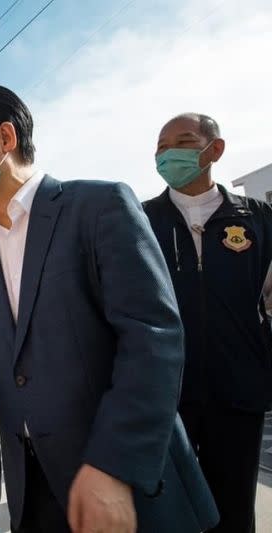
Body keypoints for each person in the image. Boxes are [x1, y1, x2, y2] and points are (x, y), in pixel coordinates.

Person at [0, 84, 219, 533]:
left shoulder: (99, 208)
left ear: (4, 138)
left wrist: (115, 464)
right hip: (33, 483)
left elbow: (152, 338)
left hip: (123, 481)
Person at [143, 113, 272, 533]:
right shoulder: (138, 221)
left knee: (233, 511)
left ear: (213, 149)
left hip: (239, 392)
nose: (167, 153)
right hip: (166, 394)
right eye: (161, 147)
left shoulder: (259, 218)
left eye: (180, 141)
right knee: (167, 510)